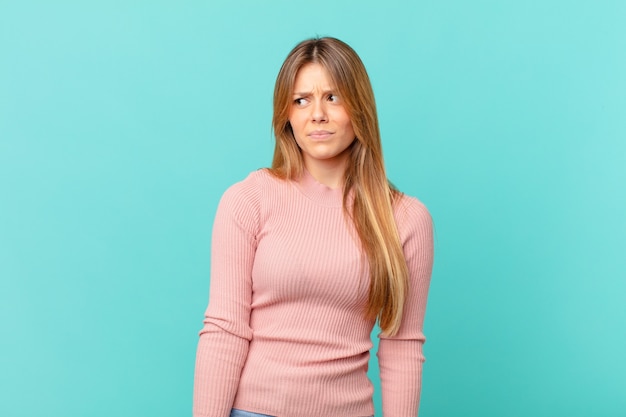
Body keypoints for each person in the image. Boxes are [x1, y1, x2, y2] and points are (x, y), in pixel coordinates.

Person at [193, 37, 434, 417]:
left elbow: (402, 345)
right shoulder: (248, 199)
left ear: (360, 107)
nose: (317, 114)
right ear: (285, 114)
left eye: (333, 97)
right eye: (301, 100)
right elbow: (225, 330)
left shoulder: (404, 218)